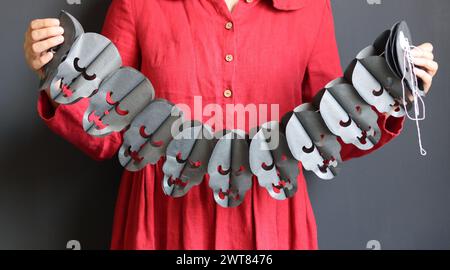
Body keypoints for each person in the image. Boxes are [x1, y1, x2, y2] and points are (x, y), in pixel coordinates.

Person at [23, 0, 438, 250]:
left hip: (270, 219)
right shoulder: (141, 2)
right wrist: (56, 73)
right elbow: (110, 130)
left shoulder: (308, 7)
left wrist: (394, 90)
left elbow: (330, 133)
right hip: (163, 222)